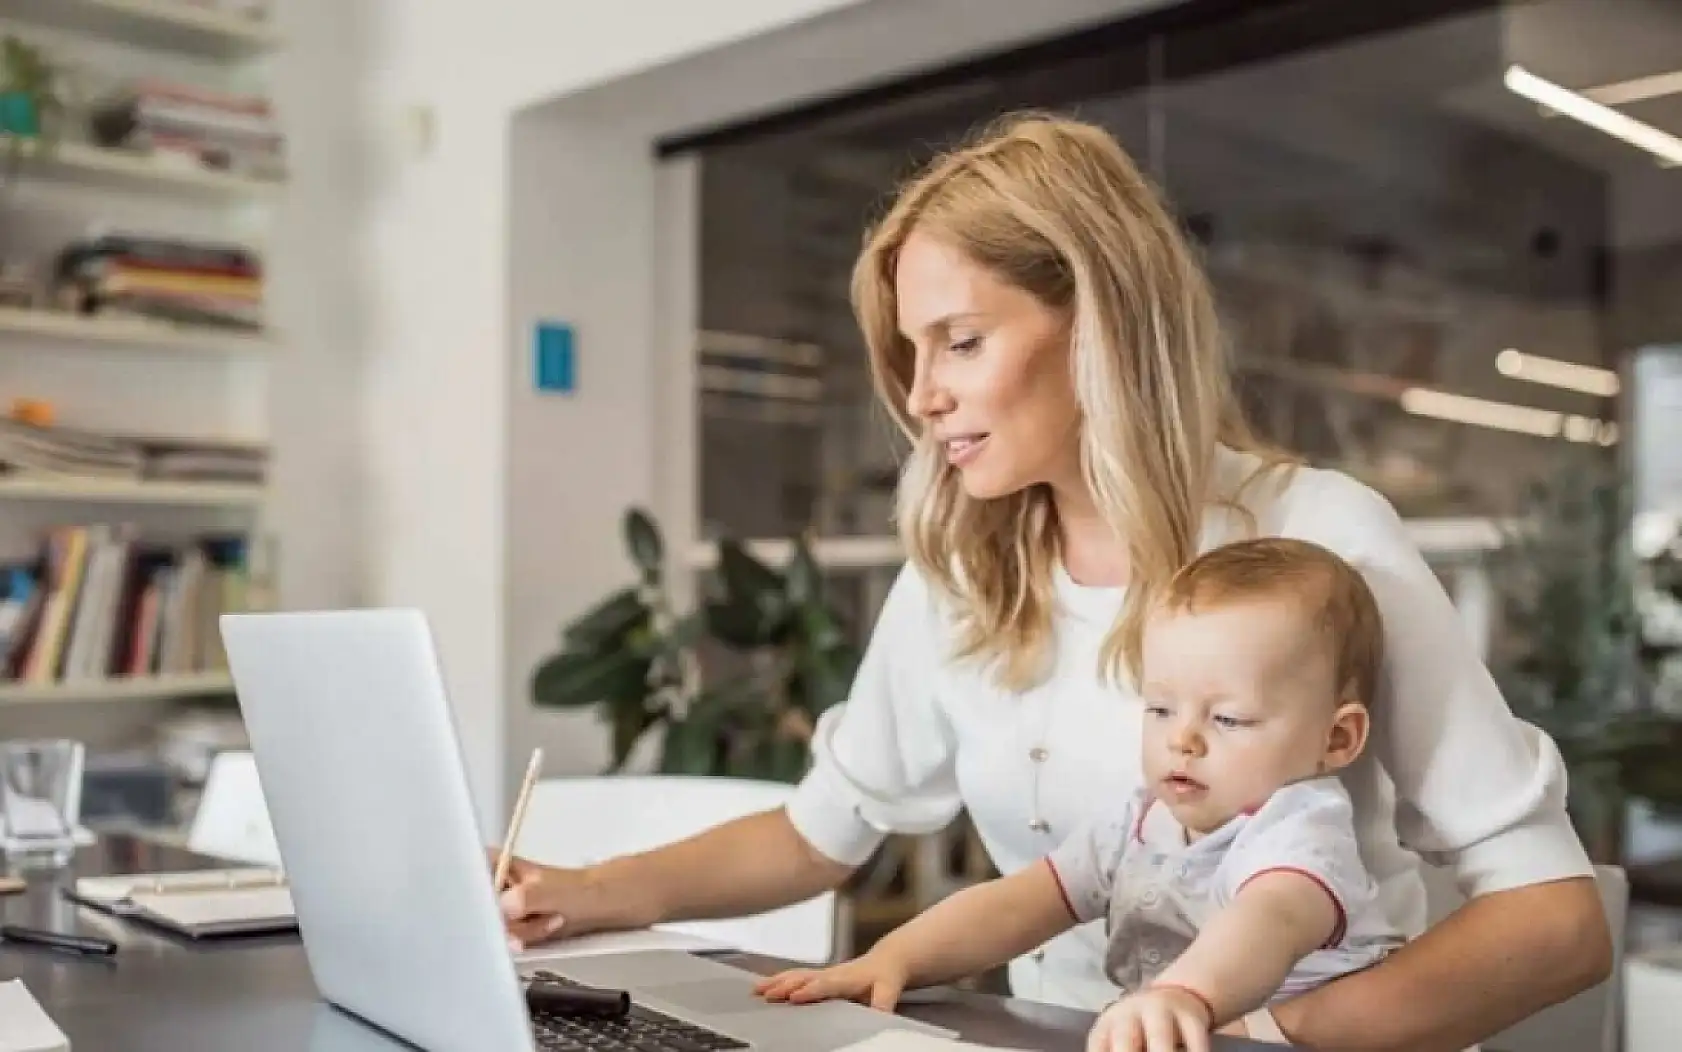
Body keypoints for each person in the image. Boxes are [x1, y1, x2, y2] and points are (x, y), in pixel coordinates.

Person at [498, 112, 1612, 1049]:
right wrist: (581, 892)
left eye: (960, 342)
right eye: (910, 353)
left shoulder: (1316, 538)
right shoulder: (963, 568)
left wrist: (1249, 1034)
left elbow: (1553, 921)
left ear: (1100, 325)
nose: (920, 395)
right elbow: (817, 832)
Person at [754, 537, 1406, 1051]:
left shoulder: (1301, 827)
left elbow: (1267, 920)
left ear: (1337, 739)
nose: (1183, 741)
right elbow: (1019, 905)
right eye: (1159, 709)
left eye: (1228, 719)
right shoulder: (1137, 822)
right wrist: (895, 957)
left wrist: (1187, 996)